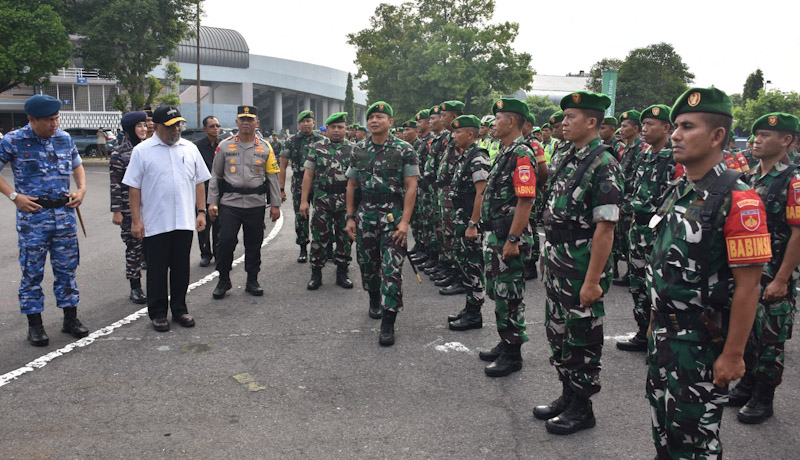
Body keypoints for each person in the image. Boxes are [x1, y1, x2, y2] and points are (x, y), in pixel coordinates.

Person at [647, 87, 770, 458]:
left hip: (702, 343)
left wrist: (733, 354)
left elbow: (749, 287)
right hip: (666, 337)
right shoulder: (682, 190)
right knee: (665, 433)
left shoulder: (739, 199)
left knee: (696, 443)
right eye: (675, 127)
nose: (675, 135)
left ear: (717, 136)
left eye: (687, 127)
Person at [535, 91, 621, 435]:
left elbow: (606, 228)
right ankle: (568, 394)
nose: (563, 123)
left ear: (592, 122)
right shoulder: (571, 156)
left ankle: (582, 407)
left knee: (582, 336)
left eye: (571, 117)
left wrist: (593, 280)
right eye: (563, 117)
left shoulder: (604, 164)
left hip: (582, 266)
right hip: (559, 261)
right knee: (558, 333)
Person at [727, 112, 800, 424]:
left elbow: (798, 233)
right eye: (755, 134)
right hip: (750, 272)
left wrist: (782, 279)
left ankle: (763, 396)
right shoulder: (752, 177)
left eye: (766, 135)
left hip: (774, 274)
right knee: (748, 332)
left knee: (770, 337)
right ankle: (746, 384)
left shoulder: (793, 180)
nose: (756, 139)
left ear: (786, 141)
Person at [0, 94, 89, 346]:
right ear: (31, 119)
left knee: (67, 270)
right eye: (49, 120)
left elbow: (77, 165)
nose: (54, 124)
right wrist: (14, 196)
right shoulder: (14, 140)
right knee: (31, 272)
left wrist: (81, 189)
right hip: (33, 219)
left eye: (56, 118)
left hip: (64, 215)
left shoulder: (64, 138)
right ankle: (35, 326)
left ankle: (70, 319)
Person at [123, 105, 211, 332]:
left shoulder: (189, 148)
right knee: (157, 270)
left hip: (183, 221)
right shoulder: (143, 151)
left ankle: (180, 310)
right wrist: (136, 220)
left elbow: (199, 181)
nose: (176, 130)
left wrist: (200, 212)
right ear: (158, 126)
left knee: (181, 269)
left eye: (179, 125)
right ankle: (158, 313)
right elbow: (134, 188)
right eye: (171, 126)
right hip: (155, 223)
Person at [345, 101, 419, 346]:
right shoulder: (358, 149)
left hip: (393, 217)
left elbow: (411, 187)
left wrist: (405, 222)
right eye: (371, 117)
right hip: (365, 214)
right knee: (367, 265)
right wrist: (350, 217)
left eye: (380, 116)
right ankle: (374, 298)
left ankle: (388, 321)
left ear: (390, 121)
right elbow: (352, 185)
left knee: (392, 269)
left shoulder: (404, 149)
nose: (374, 121)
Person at [476, 98, 537, 377]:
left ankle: (513, 353)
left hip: (509, 237)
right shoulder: (505, 150)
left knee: (510, 294)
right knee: (499, 292)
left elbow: (526, 200)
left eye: (497, 118)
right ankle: (505, 340)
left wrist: (513, 239)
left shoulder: (521, 154)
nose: (492, 124)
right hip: (498, 235)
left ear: (511, 122)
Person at [617, 104, 679, 352]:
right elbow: (633, 187)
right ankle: (643, 333)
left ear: (666, 128)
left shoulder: (675, 157)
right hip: (639, 228)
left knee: (659, 286)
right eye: (643, 124)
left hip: (659, 231)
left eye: (650, 124)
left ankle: (659, 339)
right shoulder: (644, 154)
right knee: (638, 283)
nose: (644, 129)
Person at [207, 106, 281, 299]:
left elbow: (272, 176)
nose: (246, 123)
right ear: (237, 122)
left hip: (255, 204)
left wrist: (275, 205)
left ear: (257, 123)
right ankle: (223, 279)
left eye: (250, 120)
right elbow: (215, 176)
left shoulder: (265, 147)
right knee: (225, 241)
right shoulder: (224, 146)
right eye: (243, 119)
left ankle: (252, 279)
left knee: (254, 243)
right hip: (230, 203)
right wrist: (212, 202)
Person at [300, 112, 354, 290]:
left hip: (345, 199)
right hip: (322, 199)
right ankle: (316, 273)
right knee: (319, 237)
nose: (337, 130)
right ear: (327, 129)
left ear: (345, 129)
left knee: (344, 237)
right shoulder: (316, 147)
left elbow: (357, 180)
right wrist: (304, 201)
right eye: (333, 127)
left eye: (340, 127)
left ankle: (342, 272)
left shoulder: (353, 149)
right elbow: (308, 175)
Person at [446, 115, 489, 331]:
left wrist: (473, 223)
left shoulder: (478, 158)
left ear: (470, 134)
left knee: (473, 266)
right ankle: (470, 307)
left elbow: (481, 192)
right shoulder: (467, 156)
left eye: (457, 132)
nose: (454, 136)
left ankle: (475, 313)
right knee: (464, 265)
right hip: (462, 219)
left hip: (470, 222)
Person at [110, 111, 148, 304]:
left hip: (150, 207)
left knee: (150, 247)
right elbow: (115, 184)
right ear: (129, 129)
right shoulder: (119, 154)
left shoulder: (150, 149)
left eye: (144, 125)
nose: (143, 129)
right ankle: (135, 287)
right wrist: (116, 211)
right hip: (127, 208)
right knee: (134, 247)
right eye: (139, 126)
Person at [280, 110, 325, 263]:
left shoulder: (322, 140)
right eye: (303, 121)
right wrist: (281, 189)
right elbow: (283, 166)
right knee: (301, 217)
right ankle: (303, 248)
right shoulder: (291, 142)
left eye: (309, 121)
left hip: (319, 184)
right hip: (299, 183)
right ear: (299, 124)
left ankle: (325, 248)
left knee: (322, 217)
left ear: (314, 123)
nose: (306, 124)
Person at [612, 110, 645, 286]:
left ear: (635, 128)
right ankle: (625, 271)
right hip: (623, 201)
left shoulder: (641, 149)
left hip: (631, 202)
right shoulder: (628, 148)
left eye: (625, 126)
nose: (621, 129)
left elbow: (639, 180)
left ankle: (633, 273)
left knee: (630, 240)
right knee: (621, 238)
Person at [195, 115, 222, 267]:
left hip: (219, 191)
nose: (215, 128)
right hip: (202, 191)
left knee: (219, 225)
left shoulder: (223, 145)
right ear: (205, 129)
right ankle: (205, 254)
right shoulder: (197, 147)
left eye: (217, 125)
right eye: (212, 126)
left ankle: (219, 254)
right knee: (203, 226)